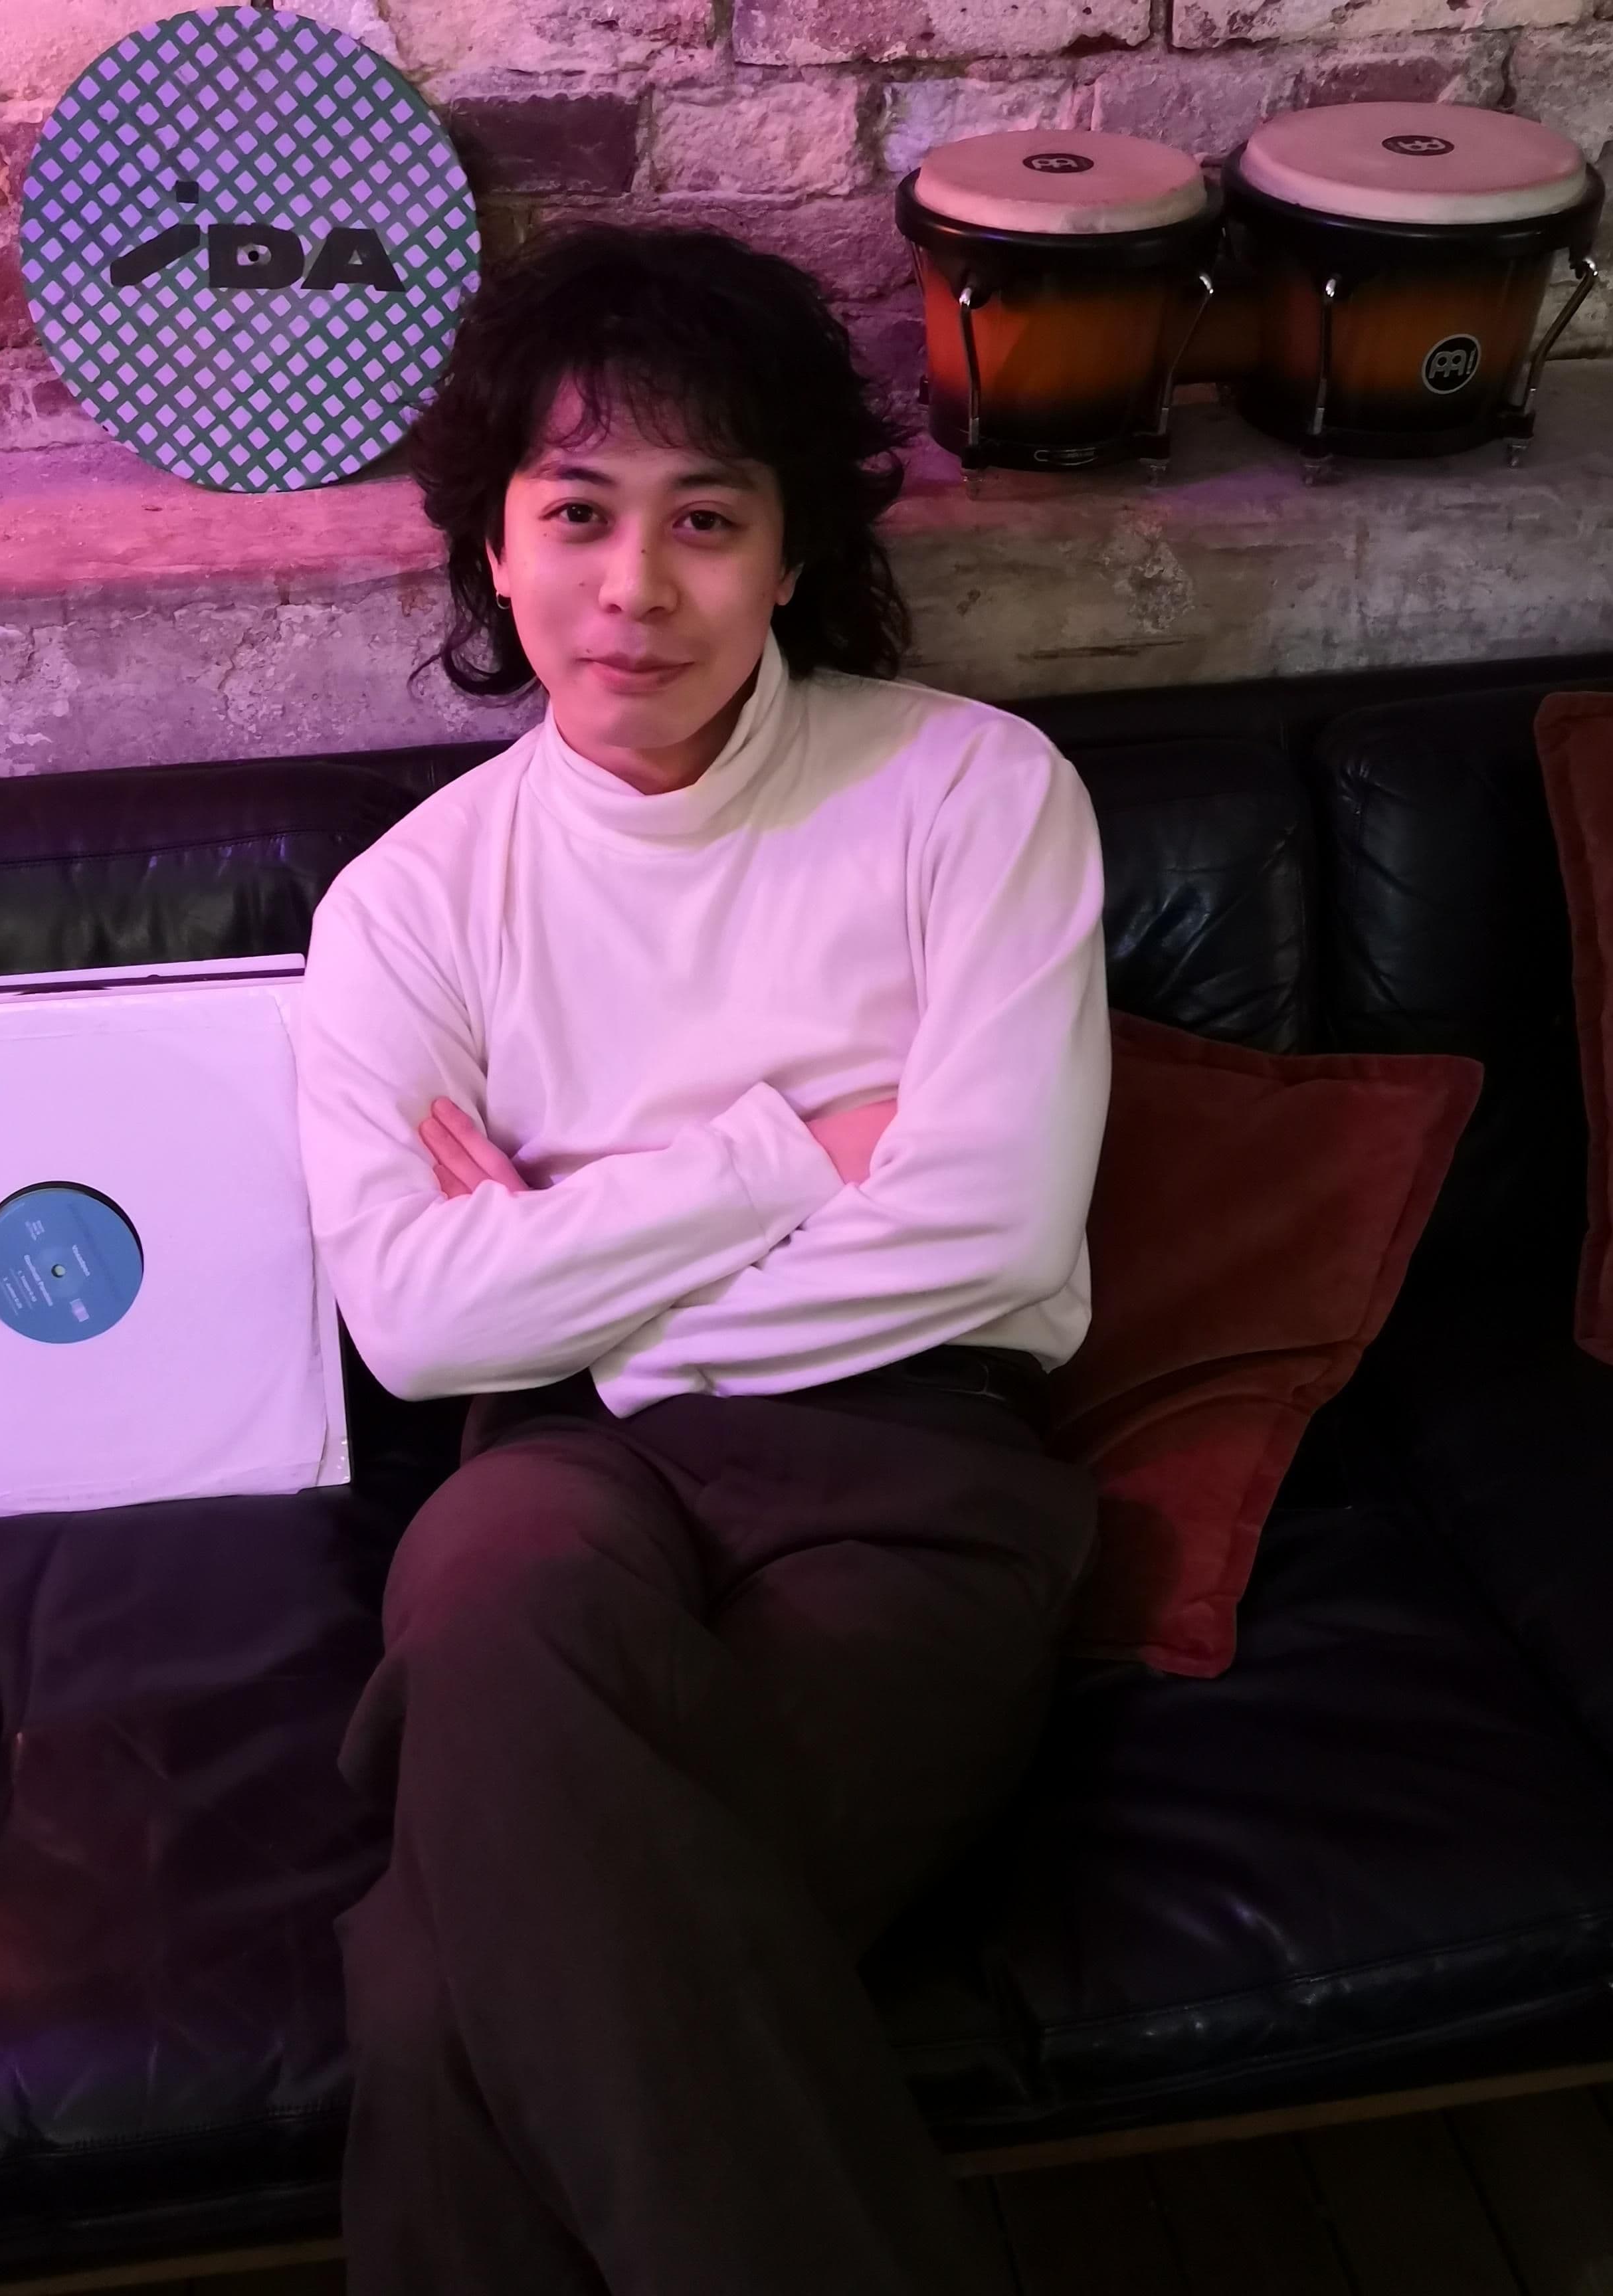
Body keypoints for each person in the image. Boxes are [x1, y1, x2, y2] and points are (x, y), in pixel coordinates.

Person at [292, 222, 1110, 2295]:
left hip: (905, 1470)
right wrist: (790, 1153)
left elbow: (998, 1224)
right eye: (578, 512)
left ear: (790, 552)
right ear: (494, 546)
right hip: (559, 1470)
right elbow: (417, 1327)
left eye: (707, 519)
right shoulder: (410, 907)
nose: (636, 588)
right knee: (492, 1584)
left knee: (444, 1999)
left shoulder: (971, 794)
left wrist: (573, 1264)